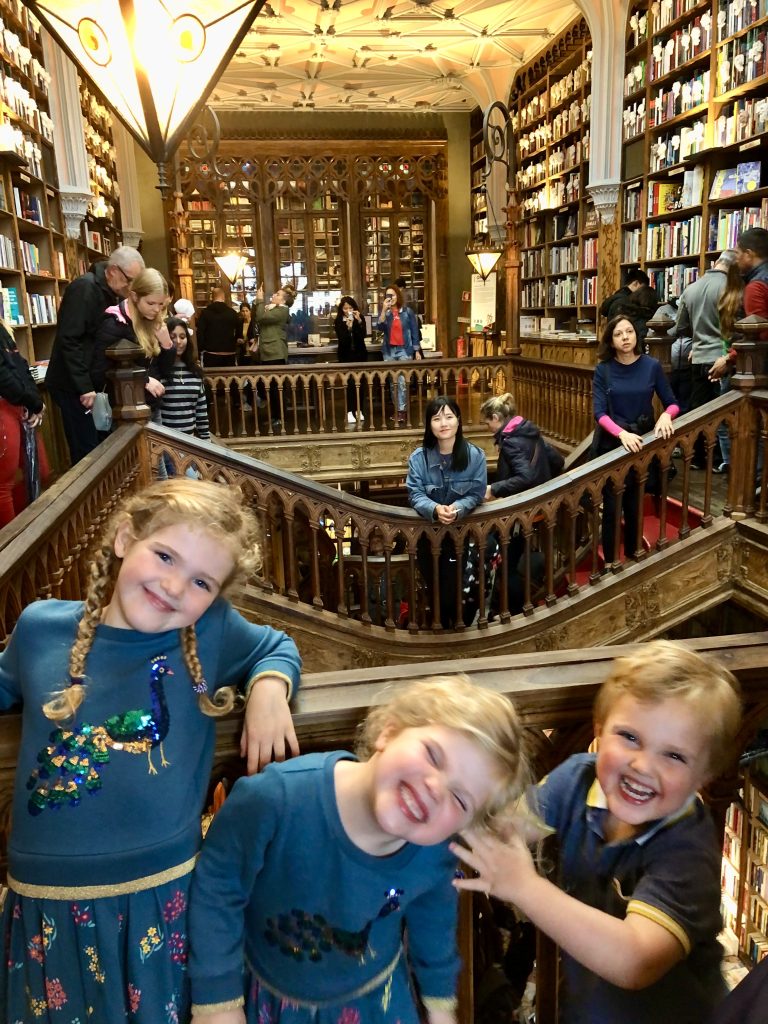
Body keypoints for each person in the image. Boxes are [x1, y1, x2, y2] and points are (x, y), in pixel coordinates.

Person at [0, 477, 302, 1022]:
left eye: (201, 581)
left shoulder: (210, 634)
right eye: (164, 555)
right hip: (45, 906)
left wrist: (269, 688)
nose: (173, 586)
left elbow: (277, 646)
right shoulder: (40, 627)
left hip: (160, 907)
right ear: (122, 539)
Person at [188, 673, 528, 1024]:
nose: (436, 788)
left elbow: (434, 920)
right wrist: (219, 1002)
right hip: (269, 997)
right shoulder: (273, 799)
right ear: (389, 732)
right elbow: (218, 889)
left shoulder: (437, 851)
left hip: (375, 1002)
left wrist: (441, 1006)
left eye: (459, 798)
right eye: (433, 755)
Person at [453, 640, 742, 1024]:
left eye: (673, 755)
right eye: (630, 737)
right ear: (599, 731)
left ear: (703, 777)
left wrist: (524, 885)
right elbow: (505, 829)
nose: (643, 765)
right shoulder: (576, 778)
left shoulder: (686, 849)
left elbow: (636, 960)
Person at [46, 245, 145, 464]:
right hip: (74, 386)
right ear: (112, 271)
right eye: (129, 280)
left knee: (101, 447)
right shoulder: (85, 288)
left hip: (92, 385)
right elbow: (69, 340)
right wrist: (85, 387)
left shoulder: (112, 293)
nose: (131, 288)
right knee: (87, 453)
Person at [592, 315, 679, 562]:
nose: (625, 337)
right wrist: (621, 433)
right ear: (611, 340)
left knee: (634, 506)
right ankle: (610, 562)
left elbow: (672, 403)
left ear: (636, 335)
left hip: (642, 444)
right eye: (619, 334)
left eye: (629, 331)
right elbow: (599, 413)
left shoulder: (651, 365)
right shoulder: (604, 370)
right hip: (614, 445)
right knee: (611, 509)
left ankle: (633, 556)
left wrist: (665, 416)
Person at [406, 396, 486, 628]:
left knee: (451, 593)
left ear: (458, 421)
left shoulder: (475, 456)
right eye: (437, 418)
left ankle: (454, 632)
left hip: (458, 536)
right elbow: (415, 493)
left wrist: (457, 508)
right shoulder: (418, 458)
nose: (443, 423)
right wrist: (434, 509)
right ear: (429, 424)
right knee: (434, 590)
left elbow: (477, 493)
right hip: (425, 537)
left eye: (449, 417)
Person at [480, 392, 561, 616]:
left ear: (496, 417)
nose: (487, 426)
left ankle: (518, 612)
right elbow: (557, 461)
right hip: (536, 509)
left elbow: (525, 477)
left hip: (520, 513)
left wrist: (494, 489)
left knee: (506, 568)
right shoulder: (529, 432)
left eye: (487, 421)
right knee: (508, 562)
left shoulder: (511, 442)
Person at [675, 250, 740, 468]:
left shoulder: (691, 288)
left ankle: (697, 458)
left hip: (698, 356)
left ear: (717, 262)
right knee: (722, 413)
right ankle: (720, 460)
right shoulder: (732, 289)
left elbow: (680, 326)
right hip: (723, 359)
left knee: (698, 411)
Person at [96, 267, 177, 420]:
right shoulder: (114, 324)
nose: (156, 310)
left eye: (161, 304)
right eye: (151, 303)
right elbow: (101, 372)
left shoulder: (154, 321)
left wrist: (167, 344)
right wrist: (144, 380)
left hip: (151, 406)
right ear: (134, 296)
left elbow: (165, 371)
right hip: (125, 412)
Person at [0, 317, 48, 525]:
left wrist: (35, 401)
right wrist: (32, 402)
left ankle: (27, 531)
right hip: (6, 406)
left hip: (20, 405)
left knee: (38, 471)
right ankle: (13, 547)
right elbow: (3, 377)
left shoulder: (3, 328)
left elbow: (20, 366)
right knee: (4, 484)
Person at [707, 259, 745, 475]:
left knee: (723, 419)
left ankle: (731, 463)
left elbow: (728, 337)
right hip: (738, 363)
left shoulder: (728, 299)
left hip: (728, 362)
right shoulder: (743, 296)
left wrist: (726, 358)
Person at [376, 283, 422, 425]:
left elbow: (414, 331)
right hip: (389, 351)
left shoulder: (407, 312)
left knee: (402, 382)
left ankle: (403, 412)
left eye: (393, 295)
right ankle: (397, 410)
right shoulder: (387, 313)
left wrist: (417, 350)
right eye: (388, 296)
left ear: (398, 296)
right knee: (392, 382)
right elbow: (379, 327)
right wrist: (384, 310)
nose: (391, 298)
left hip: (404, 349)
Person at [251, 283, 296, 430]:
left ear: (283, 300)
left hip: (275, 353)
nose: (274, 296)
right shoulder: (275, 309)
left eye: (277, 295)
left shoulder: (282, 311)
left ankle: (280, 418)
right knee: (270, 388)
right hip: (269, 353)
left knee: (277, 389)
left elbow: (260, 317)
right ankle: (275, 417)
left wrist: (259, 300)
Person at [159, 316, 210, 442]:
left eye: (182, 337)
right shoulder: (158, 371)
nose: (178, 341)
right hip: (164, 444)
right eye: (172, 337)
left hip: (189, 444)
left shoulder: (195, 371)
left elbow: (201, 413)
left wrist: (207, 441)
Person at [333, 295, 368, 424]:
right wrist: (348, 328)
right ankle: (349, 411)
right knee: (349, 384)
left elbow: (363, 335)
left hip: (360, 355)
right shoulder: (338, 321)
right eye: (345, 308)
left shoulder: (360, 318)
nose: (348, 310)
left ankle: (360, 410)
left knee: (361, 383)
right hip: (346, 356)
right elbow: (343, 340)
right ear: (342, 309)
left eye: (350, 307)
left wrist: (358, 322)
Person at [196, 286, 241, 368]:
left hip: (211, 354)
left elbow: (200, 333)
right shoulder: (232, 313)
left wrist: (201, 348)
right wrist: (234, 343)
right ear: (224, 297)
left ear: (212, 298)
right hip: (229, 353)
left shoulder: (205, 313)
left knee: (211, 380)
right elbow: (239, 333)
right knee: (230, 379)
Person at [736, 227, 768, 335]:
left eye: (738, 253)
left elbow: (760, 335)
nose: (736, 259)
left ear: (748, 255)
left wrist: (735, 351)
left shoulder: (756, 287)